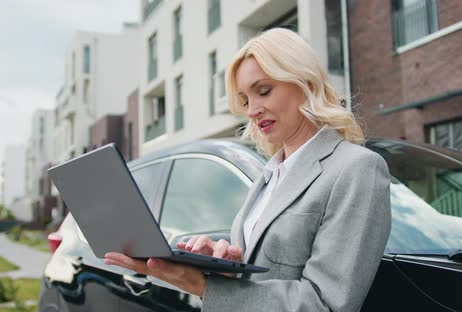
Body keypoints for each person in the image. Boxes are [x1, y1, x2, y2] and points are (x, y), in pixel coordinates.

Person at [104, 28, 391, 312]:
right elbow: (261, 275)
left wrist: (206, 287)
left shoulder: (356, 168)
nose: (252, 110)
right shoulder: (270, 175)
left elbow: (326, 304)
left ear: (304, 82)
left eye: (263, 91)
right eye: (245, 100)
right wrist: (222, 266)